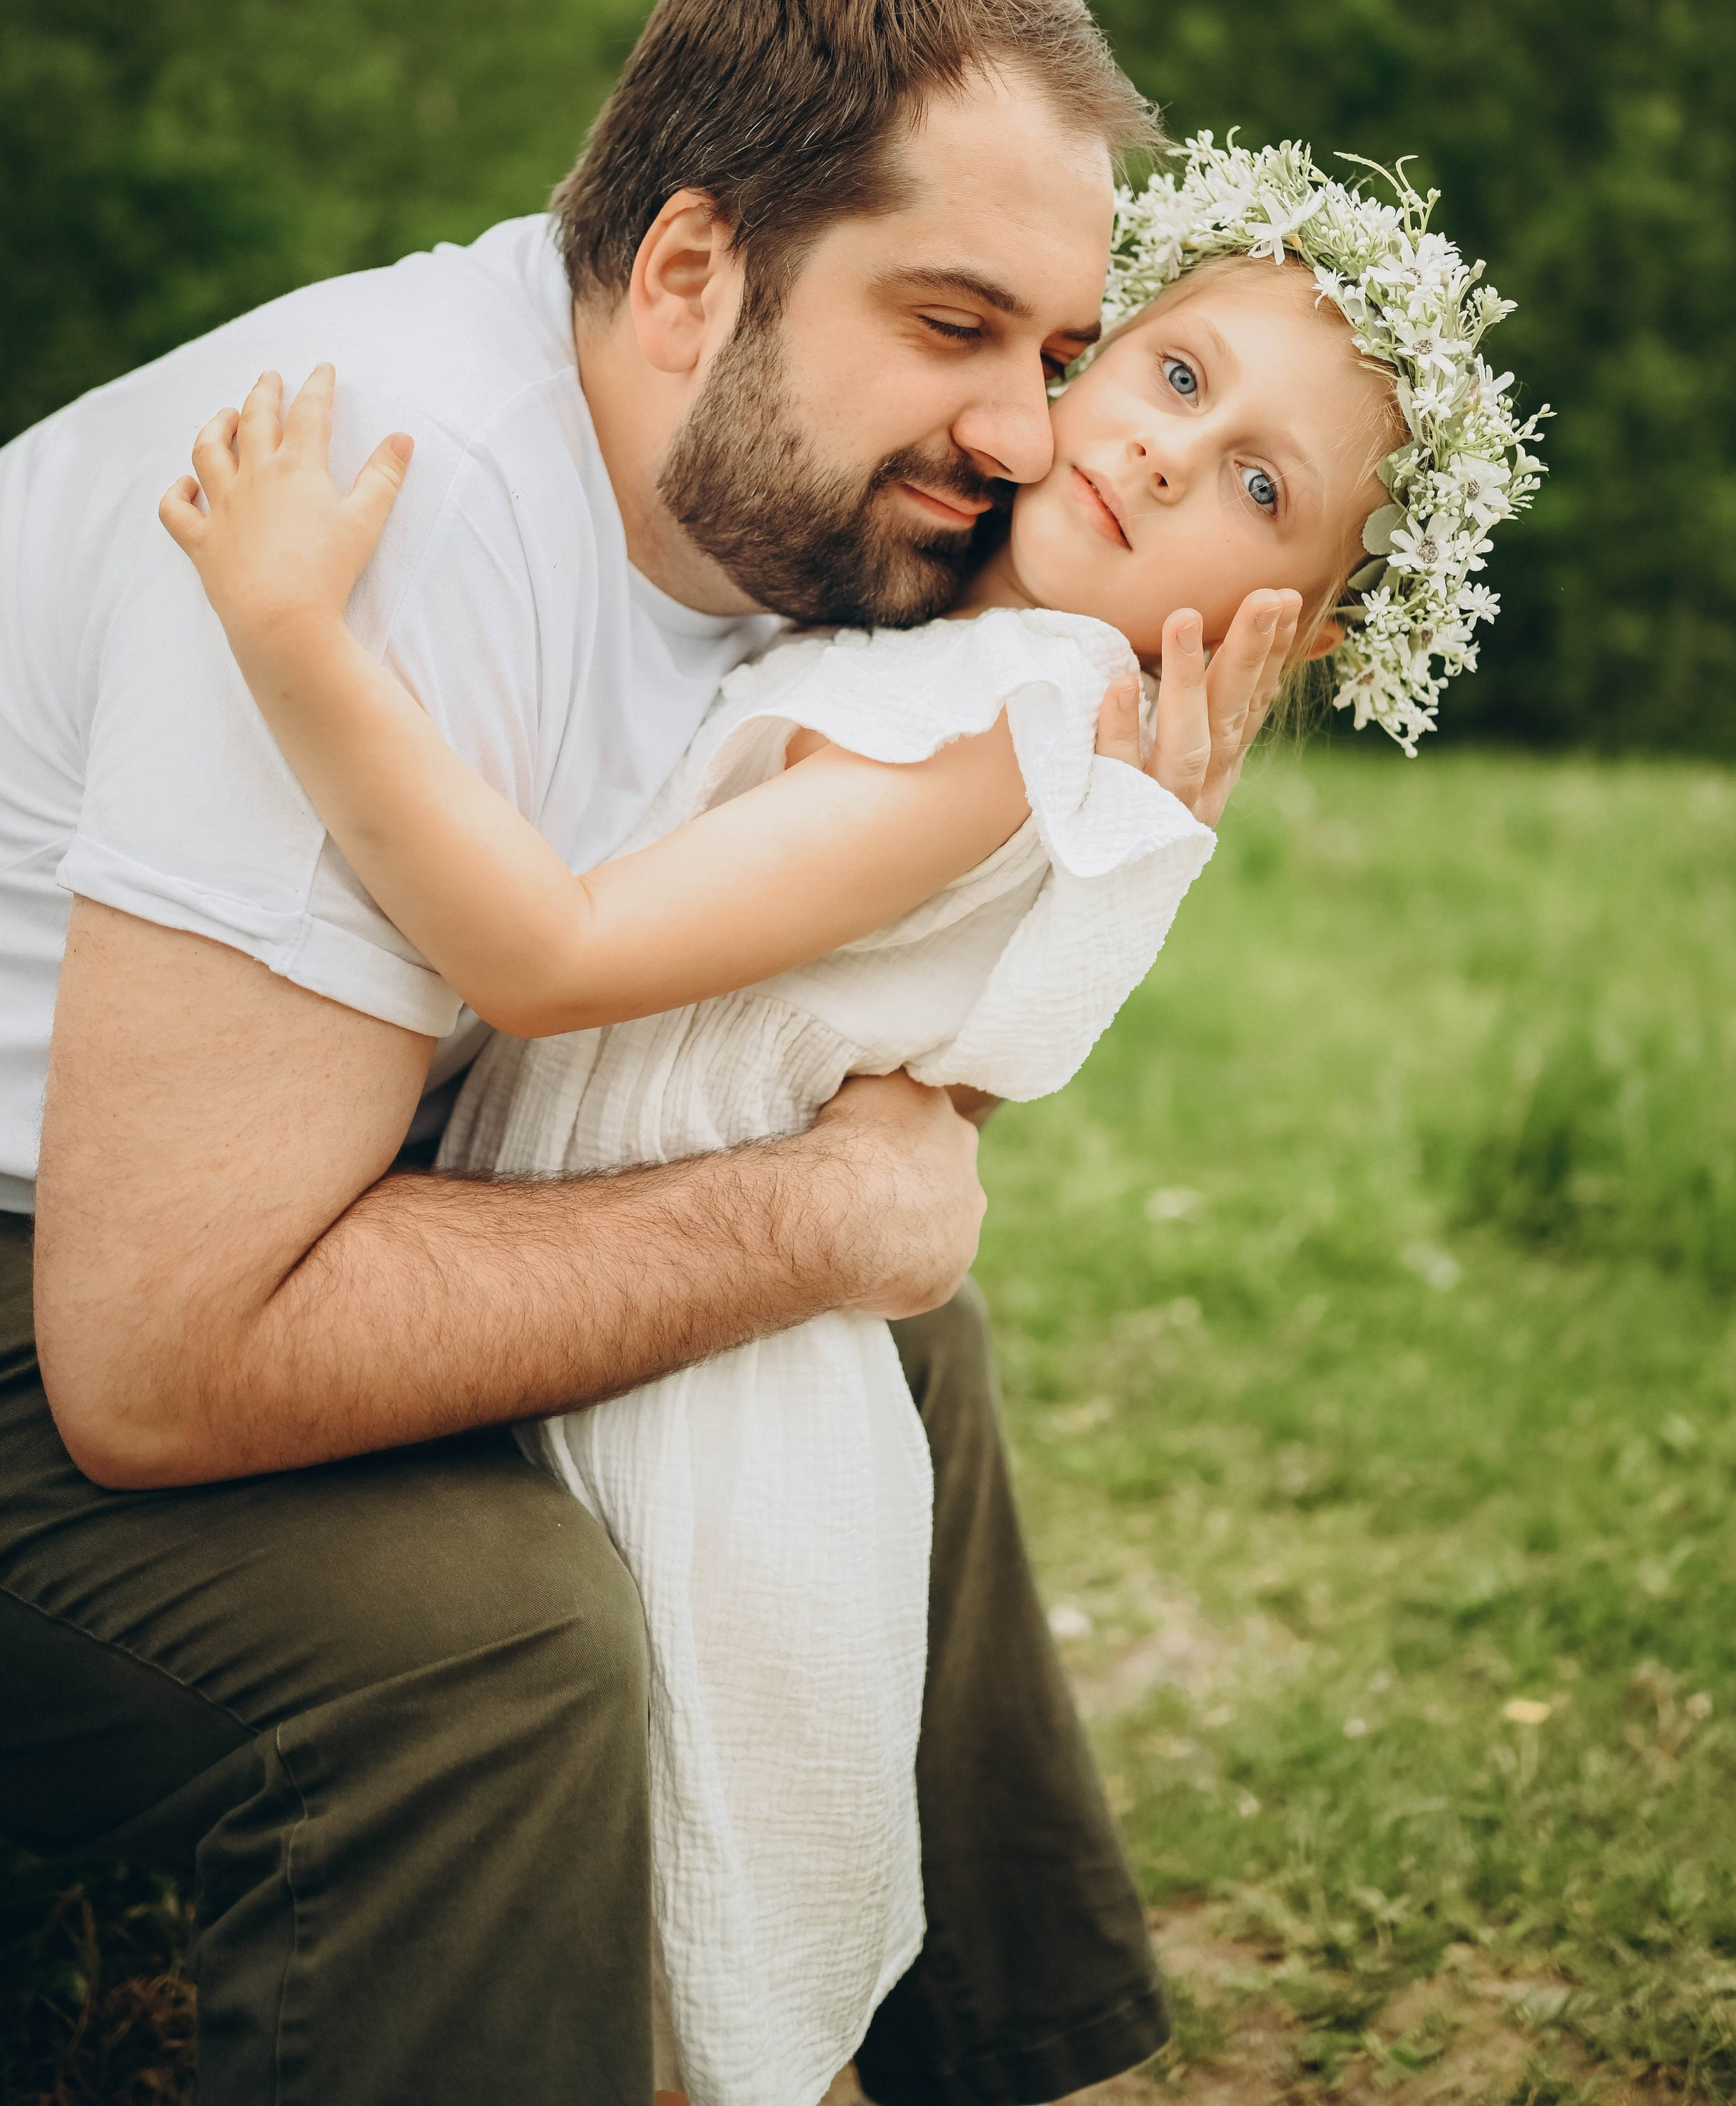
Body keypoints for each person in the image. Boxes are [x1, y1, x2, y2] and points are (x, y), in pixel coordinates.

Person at [0, 0, 1286, 2106]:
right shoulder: (400, 498)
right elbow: (145, 1359)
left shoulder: (780, 492)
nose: (1026, 427)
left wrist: (1099, 812)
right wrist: (818, 1215)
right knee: (498, 1638)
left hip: (254, 1186)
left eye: (1064, 345)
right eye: (955, 324)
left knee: (891, 1343)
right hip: (76, 1273)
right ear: (690, 272)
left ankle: (1004, 2056)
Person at [154, 137, 1544, 2106]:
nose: (1168, 455)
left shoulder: (1013, 718)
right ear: (1084, 348)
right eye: (1171, 374)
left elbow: (553, 951)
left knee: (677, 1961)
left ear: (1293, 630)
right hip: (659, 1298)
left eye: (1257, 483)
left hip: (689, 1399)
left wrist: (295, 634)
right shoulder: (965, 664)